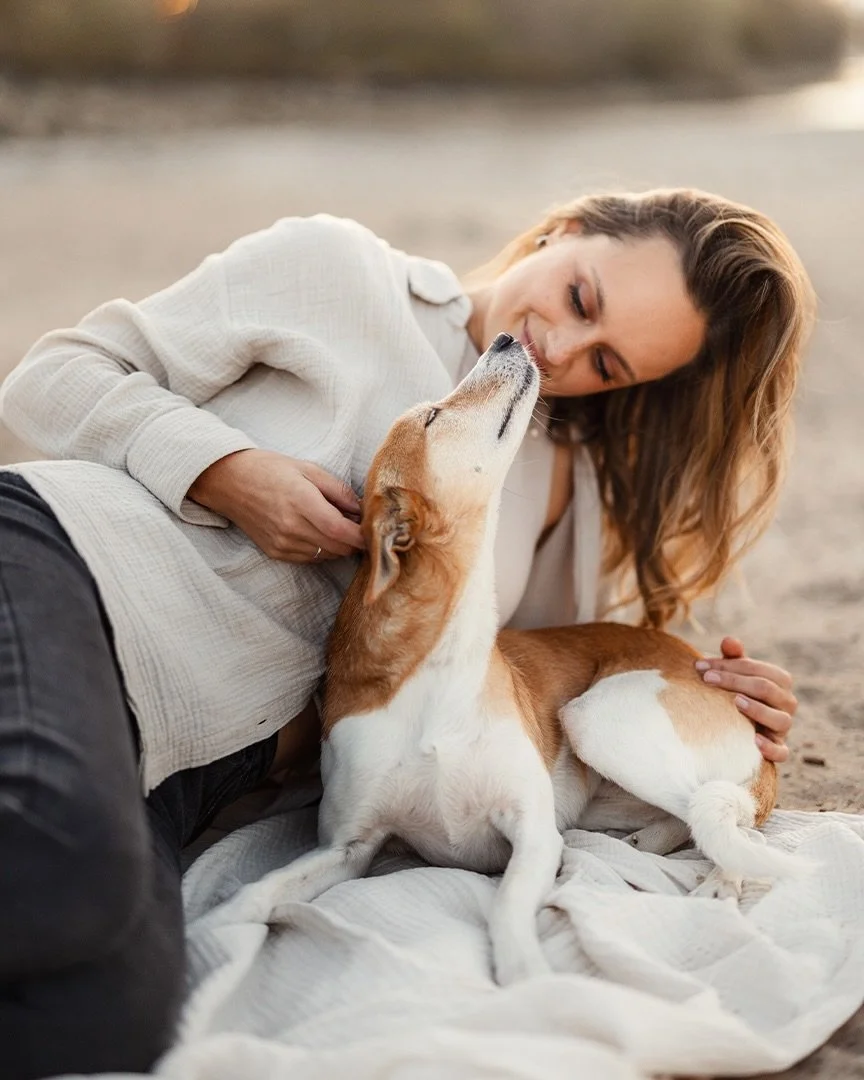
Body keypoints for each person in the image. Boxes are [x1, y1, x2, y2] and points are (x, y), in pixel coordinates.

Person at [0, 188, 812, 1079]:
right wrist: (225, 472)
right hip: (68, 569)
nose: (562, 351)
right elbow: (49, 378)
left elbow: (524, 686)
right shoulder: (337, 269)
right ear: (563, 230)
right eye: (582, 299)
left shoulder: (551, 483)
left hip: (181, 761)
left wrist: (727, 703)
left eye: (607, 363)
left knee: (106, 1022)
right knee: (63, 863)